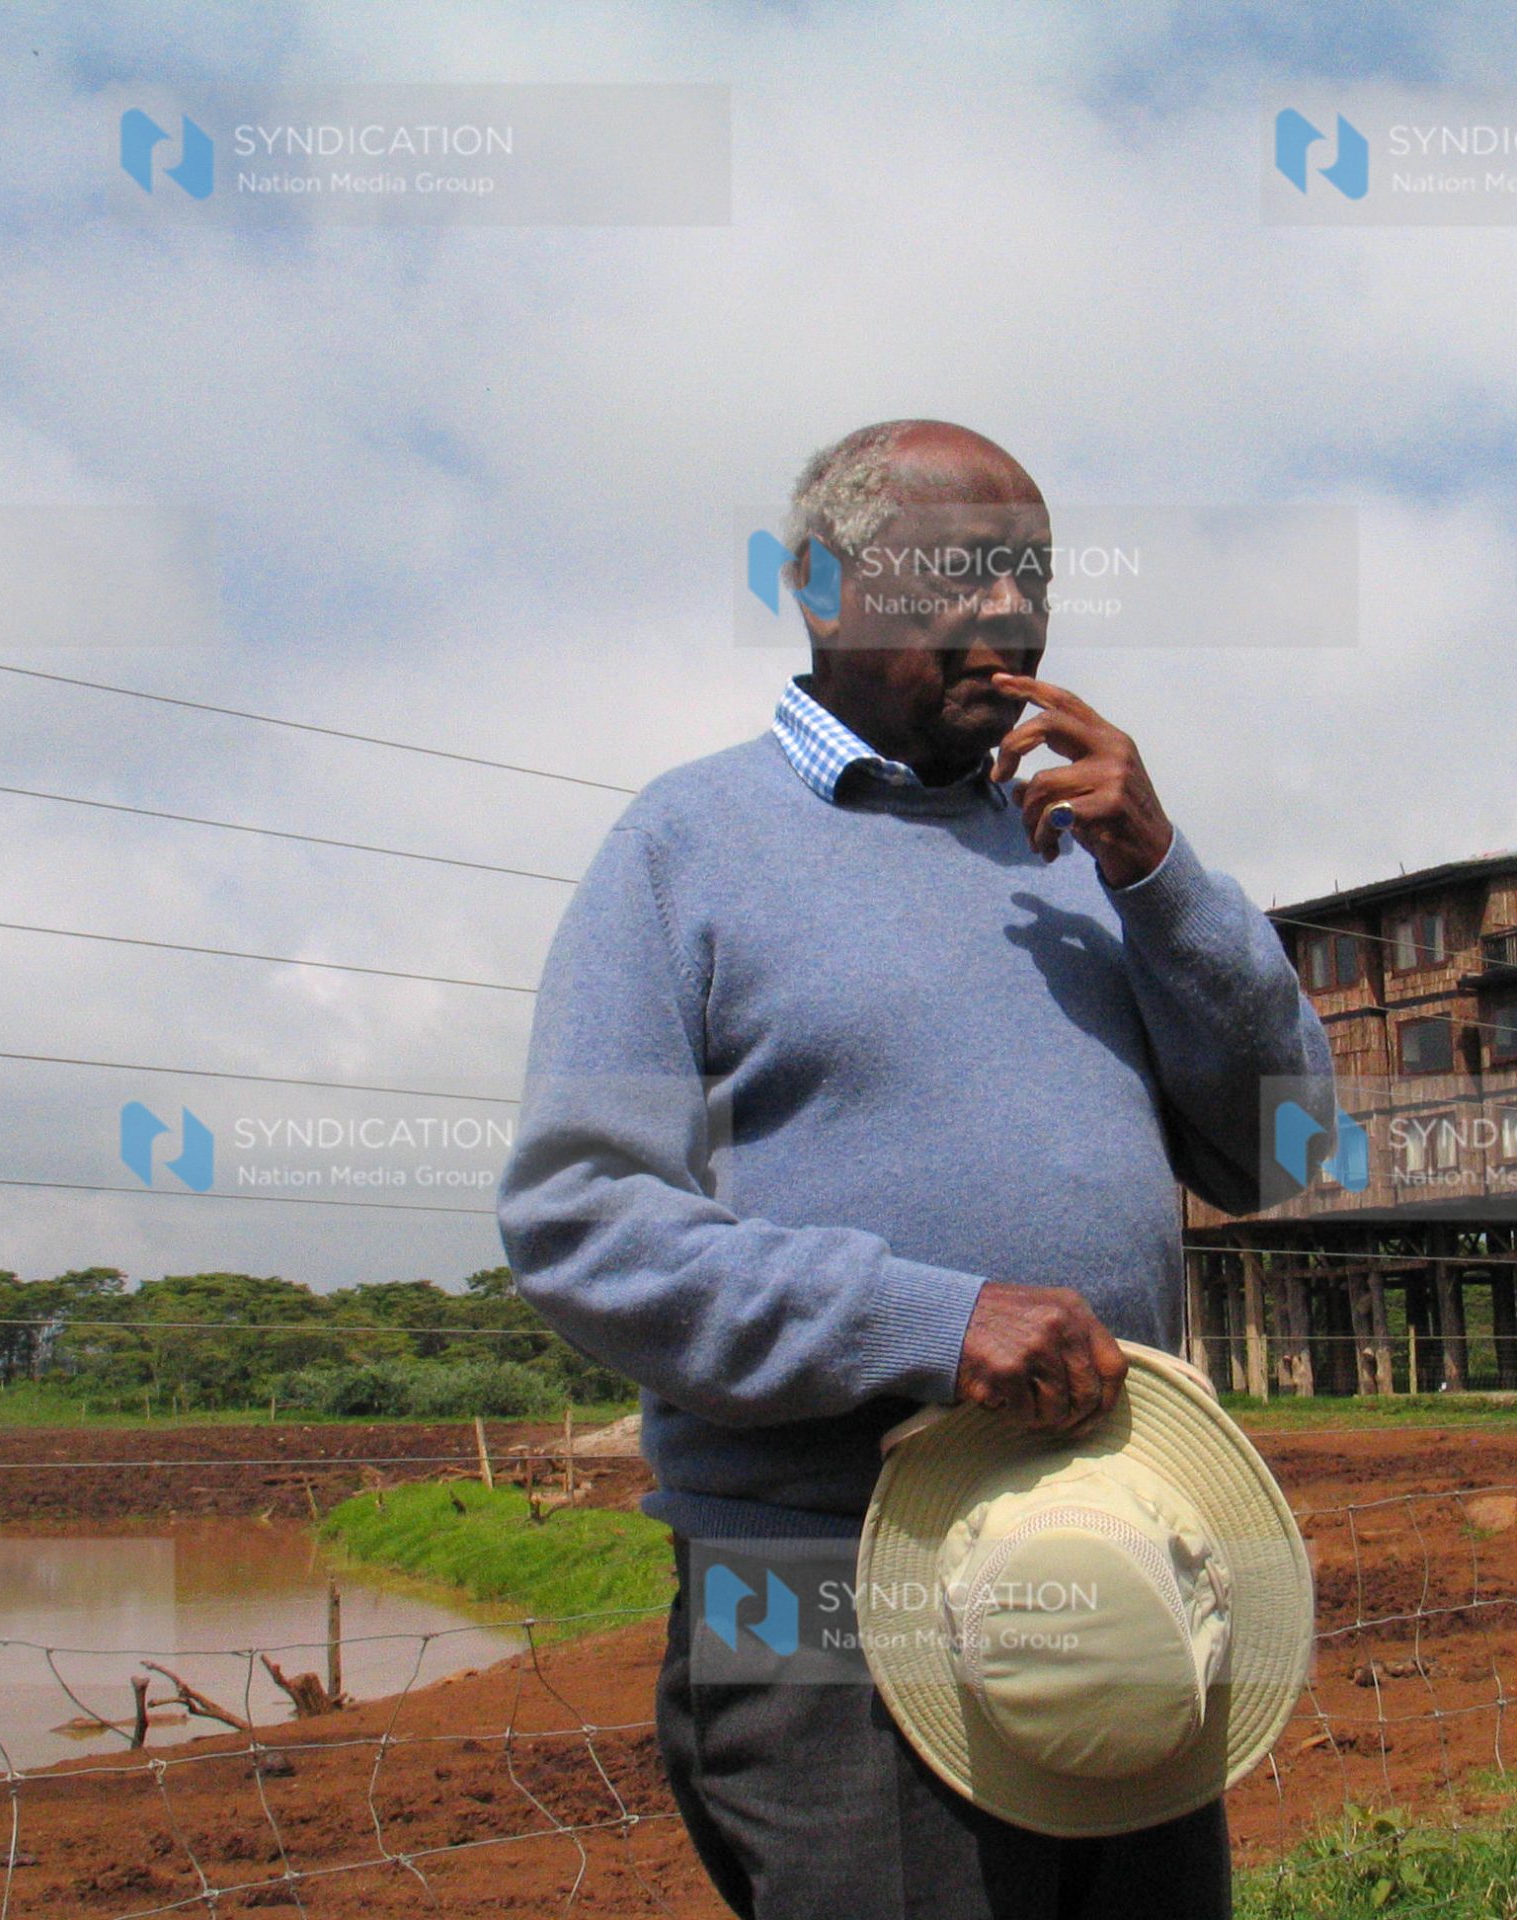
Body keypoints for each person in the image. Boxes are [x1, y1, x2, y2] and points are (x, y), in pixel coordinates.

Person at [498, 418, 1332, 1918]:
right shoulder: (685, 847)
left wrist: (1163, 876)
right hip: (815, 1591)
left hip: (1121, 1549)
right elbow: (582, 1223)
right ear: (821, 589)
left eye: (1033, 578)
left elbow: (1287, 1149)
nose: (1009, 615)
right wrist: (928, 1322)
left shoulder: (1088, 850)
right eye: (957, 573)